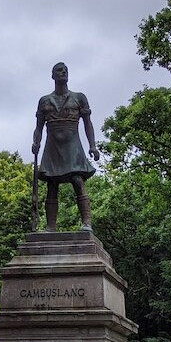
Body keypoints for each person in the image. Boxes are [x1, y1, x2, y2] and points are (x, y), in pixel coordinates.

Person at [32, 62, 100, 231]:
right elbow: (39, 126)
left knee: (77, 180)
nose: (62, 73)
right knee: (52, 184)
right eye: (58, 71)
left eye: (65, 71)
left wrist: (92, 145)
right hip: (53, 145)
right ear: (53, 76)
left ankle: (86, 223)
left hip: (72, 145)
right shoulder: (44, 101)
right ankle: (51, 226)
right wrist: (36, 142)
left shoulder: (79, 97)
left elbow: (88, 124)